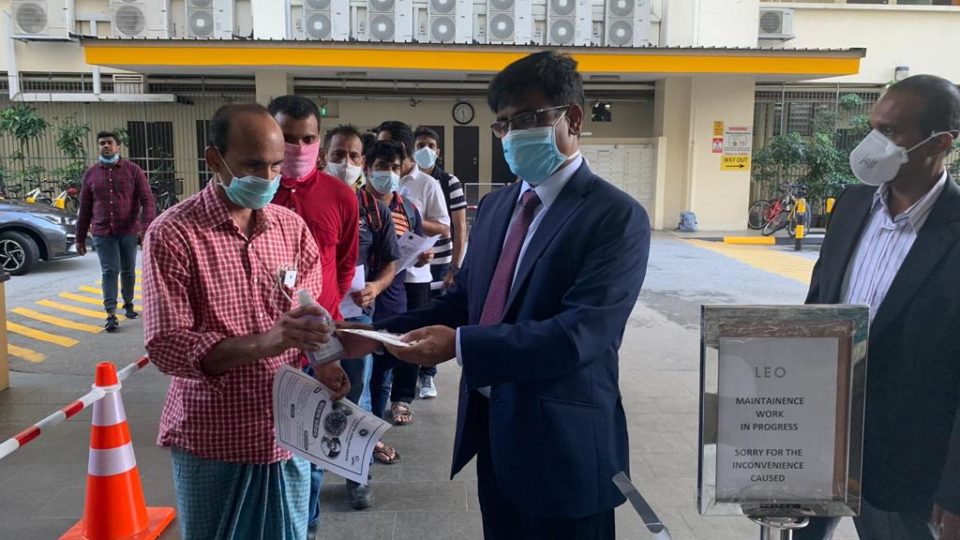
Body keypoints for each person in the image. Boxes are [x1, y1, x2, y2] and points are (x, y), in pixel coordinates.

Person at [347, 51, 651, 539]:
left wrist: (461, 344)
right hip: (494, 432)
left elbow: (581, 335)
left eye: (525, 119)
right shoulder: (498, 205)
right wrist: (374, 335)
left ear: (572, 119)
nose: (511, 135)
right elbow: (464, 300)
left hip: (565, 449)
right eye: (503, 124)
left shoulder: (615, 217)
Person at [142, 102, 353, 540]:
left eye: (276, 166)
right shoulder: (174, 233)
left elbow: (311, 314)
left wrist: (328, 359)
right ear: (214, 159)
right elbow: (167, 345)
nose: (268, 178)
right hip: (214, 438)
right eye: (253, 165)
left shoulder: (290, 228)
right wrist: (265, 343)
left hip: (286, 433)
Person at [798, 75, 960, 540]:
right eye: (873, 128)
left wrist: (955, 490)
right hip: (820, 440)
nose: (873, 143)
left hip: (907, 463)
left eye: (890, 132)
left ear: (940, 143)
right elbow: (817, 307)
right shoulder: (850, 206)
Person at [267, 95, 360, 530]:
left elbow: (344, 260)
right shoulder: (257, 194)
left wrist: (326, 316)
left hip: (319, 339)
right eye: (288, 138)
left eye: (307, 138)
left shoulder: (340, 195)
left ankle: (308, 524)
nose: (298, 147)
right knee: (268, 443)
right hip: (261, 339)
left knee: (315, 435)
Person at [321, 124, 402, 510]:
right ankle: (309, 481)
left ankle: (358, 475)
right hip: (314, 322)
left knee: (357, 398)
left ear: (364, 163)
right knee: (312, 401)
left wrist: (377, 287)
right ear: (324, 157)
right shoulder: (306, 201)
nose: (346, 163)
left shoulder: (375, 209)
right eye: (338, 155)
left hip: (355, 321)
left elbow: (390, 261)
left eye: (354, 156)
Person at [375, 121, 449, 423]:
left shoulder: (426, 185)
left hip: (414, 275)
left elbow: (444, 227)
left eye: (391, 149)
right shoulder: (367, 189)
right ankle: (375, 394)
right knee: (378, 338)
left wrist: (412, 221)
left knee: (408, 338)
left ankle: (402, 398)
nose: (385, 158)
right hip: (378, 279)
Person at [361, 140, 433, 428]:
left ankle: (373, 433)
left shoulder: (409, 210)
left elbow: (411, 252)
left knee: (382, 374)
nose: (388, 174)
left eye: (393, 168)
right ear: (367, 168)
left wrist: (421, 258)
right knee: (356, 374)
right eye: (381, 167)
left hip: (392, 299)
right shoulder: (353, 205)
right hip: (358, 298)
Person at [75, 131, 155, 332]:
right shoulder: (91, 174)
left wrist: (146, 227)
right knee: (110, 271)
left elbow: (148, 200)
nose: (105, 146)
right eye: (102, 143)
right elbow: (84, 208)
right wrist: (80, 237)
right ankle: (110, 313)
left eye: (109, 143)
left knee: (128, 270)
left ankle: (128, 303)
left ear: (118, 147)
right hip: (102, 232)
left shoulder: (133, 171)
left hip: (128, 230)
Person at [413, 126, 469, 399]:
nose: (426, 150)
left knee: (434, 317)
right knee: (413, 314)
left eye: (431, 145)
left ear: (438, 151)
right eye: (421, 144)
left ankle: (427, 375)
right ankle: (406, 372)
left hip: (440, 263)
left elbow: (459, 226)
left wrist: (455, 267)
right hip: (411, 262)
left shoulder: (449, 182)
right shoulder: (406, 180)